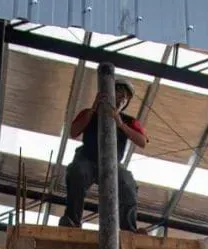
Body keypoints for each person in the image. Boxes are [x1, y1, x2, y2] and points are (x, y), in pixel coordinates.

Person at [60, 77, 147, 232]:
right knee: (77, 172)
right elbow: (73, 132)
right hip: (87, 158)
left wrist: (120, 124)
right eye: (119, 94)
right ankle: (72, 221)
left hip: (112, 164)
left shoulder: (128, 121)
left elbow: (142, 142)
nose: (122, 100)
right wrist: (94, 109)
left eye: (126, 99)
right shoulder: (89, 113)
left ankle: (129, 230)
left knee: (127, 184)